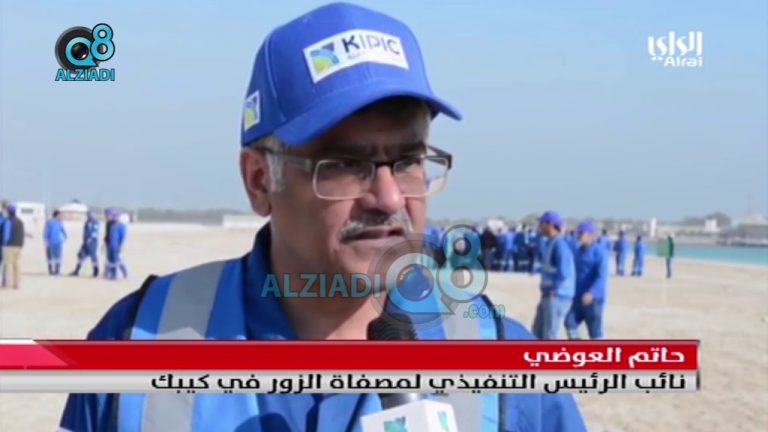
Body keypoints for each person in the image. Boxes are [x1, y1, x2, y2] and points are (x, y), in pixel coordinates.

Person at [59, 4, 586, 431]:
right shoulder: (134, 341)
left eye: (408, 162)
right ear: (259, 181)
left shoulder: (511, 372)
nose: (390, 198)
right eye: (345, 165)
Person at [531, 211, 575, 340]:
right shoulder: (551, 243)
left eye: (542, 223)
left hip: (557, 297)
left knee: (550, 335)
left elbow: (564, 272)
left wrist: (554, 289)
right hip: (548, 295)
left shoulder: (560, 245)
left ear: (550, 225)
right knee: (537, 333)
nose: (540, 226)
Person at [565, 221, 609, 339]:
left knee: (594, 333)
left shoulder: (600, 252)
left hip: (594, 300)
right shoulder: (578, 251)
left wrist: (592, 292)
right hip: (577, 298)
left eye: (581, 233)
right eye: (578, 233)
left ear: (591, 235)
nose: (578, 235)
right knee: (569, 322)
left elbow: (602, 276)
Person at [70, 210, 101, 277]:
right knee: (81, 255)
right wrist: (85, 240)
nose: (89, 215)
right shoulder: (87, 222)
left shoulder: (95, 222)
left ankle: (96, 271)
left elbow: (95, 232)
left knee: (93, 256)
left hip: (92, 242)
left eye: (91, 214)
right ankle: (76, 271)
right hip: (85, 242)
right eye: (88, 214)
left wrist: (90, 239)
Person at [1, 202, 25, 289]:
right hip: (18, 245)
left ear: (8, 211)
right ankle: (17, 283)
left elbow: (6, 234)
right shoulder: (20, 221)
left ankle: (8, 283)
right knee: (17, 265)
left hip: (9, 246)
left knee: (8, 265)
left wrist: (4, 242)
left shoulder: (8, 221)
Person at [105, 209, 128, 280]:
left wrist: (120, 246)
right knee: (111, 260)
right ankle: (112, 273)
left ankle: (117, 273)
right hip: (110, 245)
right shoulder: (111, 224)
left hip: (116, 246)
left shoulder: (121, 226)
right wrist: (105, 243)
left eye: (116, 216)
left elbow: (122, 237)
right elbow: (108, 235)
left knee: (116, 260)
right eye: (114, 216)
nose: (115, 218)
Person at [43, 210, 68, 275]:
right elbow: (46, 232)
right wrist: (46, 240)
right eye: (60, 215)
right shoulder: (49, 222)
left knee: (58, 257)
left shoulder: (60, 222)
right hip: (50, 242)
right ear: (56, 215)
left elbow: (63, 230)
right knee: (50, 257)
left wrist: (65, 236)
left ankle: (57, 271)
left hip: (58, 242)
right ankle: (51, 271)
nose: (61, 217)